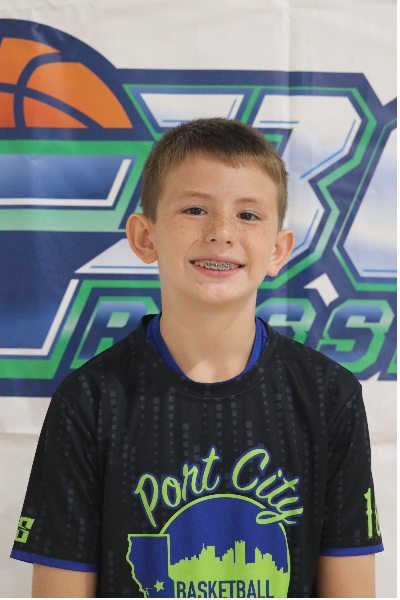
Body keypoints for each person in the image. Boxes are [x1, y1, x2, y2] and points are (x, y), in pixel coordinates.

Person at [11, 118, 382, 598]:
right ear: (145, 238)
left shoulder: (329, 396)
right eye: (194, 209)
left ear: (278, 250)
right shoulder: (90, 401)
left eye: (248, 215)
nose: (222, 232)